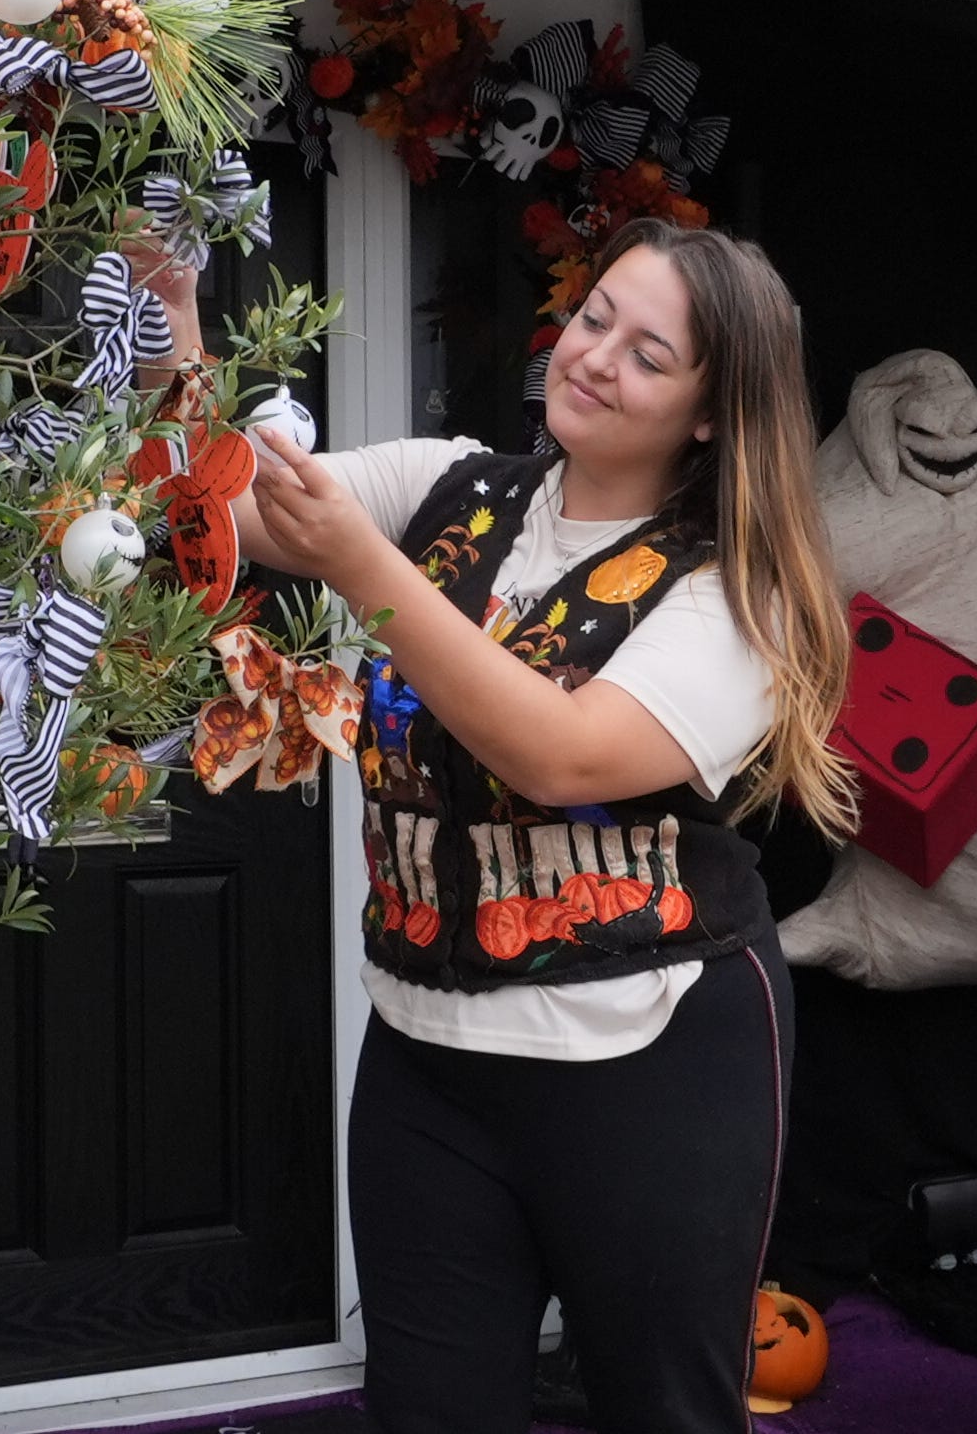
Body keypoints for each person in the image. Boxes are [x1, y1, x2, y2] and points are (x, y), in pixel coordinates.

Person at [140, 215, 857, 1434]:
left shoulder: (740, 590)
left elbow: (562, 754)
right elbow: (228, 507)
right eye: (594, 320)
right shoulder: (450, 487)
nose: (595, 357)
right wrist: (171, 322)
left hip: (650, 1061)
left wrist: (370, 573)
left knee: (663, 1412)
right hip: (429, 1053)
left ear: (710, 412)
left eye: (648, 352)